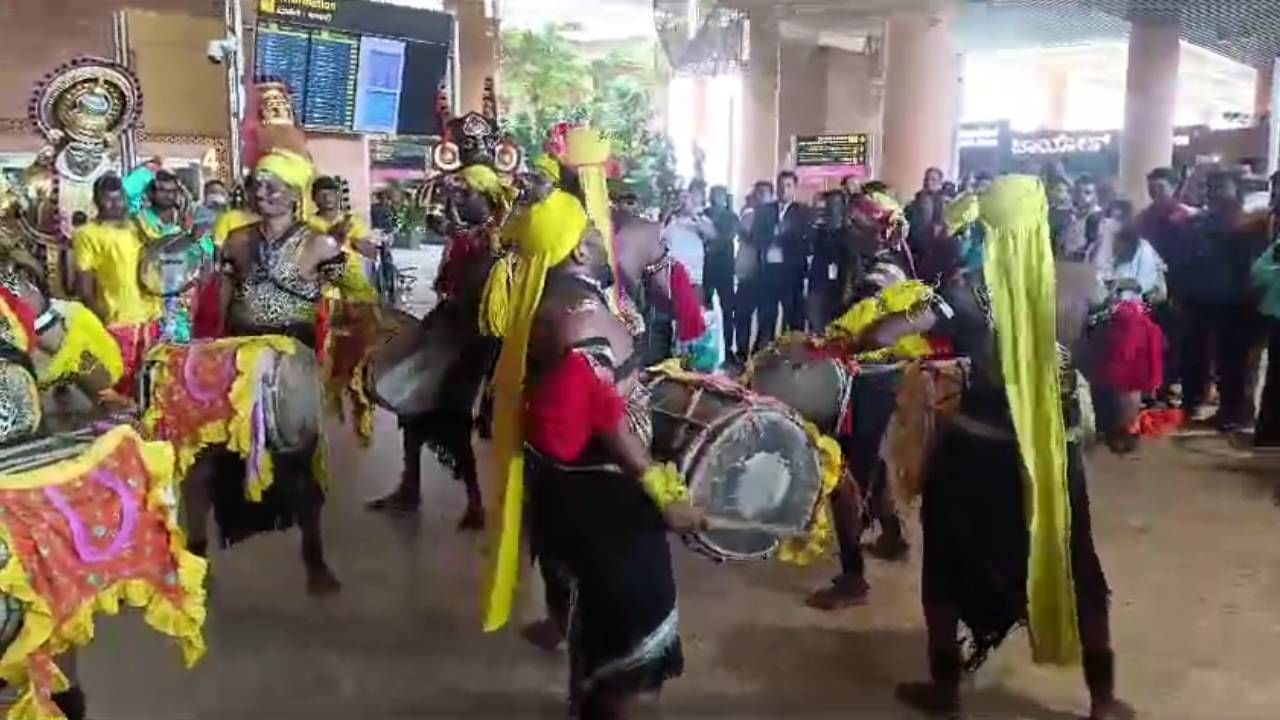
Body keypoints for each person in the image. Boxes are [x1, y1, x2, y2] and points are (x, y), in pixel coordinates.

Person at [866, 176, 1132, 720]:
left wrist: (945, 361)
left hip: (975, 456)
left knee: (946, 566)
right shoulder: (1084, 285)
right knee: (1076, 564)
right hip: (1055, 455)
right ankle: (1103, 700)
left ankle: (946, 690)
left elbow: (882, 337)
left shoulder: (970, 288)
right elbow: (1115, 369)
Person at [480, 188, 704, 719]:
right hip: (607, 498)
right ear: (579, 249)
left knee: (595, 625)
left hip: (563, 489)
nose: (603, 236)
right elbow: (602, 416)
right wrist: (656, 484)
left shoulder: (546, 300)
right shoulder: (580, 316)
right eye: (592, 230)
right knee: (634, 657)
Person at [203, 147, 346, 595]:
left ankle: (314, 556)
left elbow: (352, 292)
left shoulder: (320, 243)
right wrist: (209, 350)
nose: (262, 193)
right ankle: (195, 555)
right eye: (257, 184)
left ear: (293, 194)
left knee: (298, 459)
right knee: (214, 453)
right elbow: (221, 298)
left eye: (273, 186)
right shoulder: (238, 239)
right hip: (239, 354)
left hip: (291, 358)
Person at [1179, 171, 1269, 430]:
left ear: (1235, 190)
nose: (1214, 191)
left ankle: (1235, 413)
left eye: (1221, 186)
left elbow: (1253, 265)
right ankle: (1214, 407)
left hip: (1236, 303)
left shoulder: (1249, 223)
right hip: (1203, 298)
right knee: (1210, 358)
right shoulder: (1202, 221)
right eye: (1211, 186)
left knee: (1233, 362)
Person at [72, 173, 163, 394]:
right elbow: (84, 285)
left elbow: (161, 257)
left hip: (151, 318)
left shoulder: (140, 226)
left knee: (152, 386)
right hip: (118, 322)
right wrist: (101, 317)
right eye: (108, 199)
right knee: (120, 389)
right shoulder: (87, 234)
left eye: (119, 197)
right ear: (96, 201)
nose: (115, 204)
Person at [751, 171, 812, 347]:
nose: (783, 190)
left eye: (788, 186)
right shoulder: (764, 211)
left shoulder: (803, 212)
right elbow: (756, 237)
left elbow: (806, 240)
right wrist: (771, 236)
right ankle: (763, 352)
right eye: (780, 186)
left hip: (792, 272)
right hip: (769, 271)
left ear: (794, 188)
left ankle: (793, 353)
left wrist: (785, 237)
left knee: (793, 315)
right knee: (766, 314)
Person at [733, 181, 773, 361]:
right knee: (742, 315)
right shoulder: (749, 214)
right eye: (757, 193)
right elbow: (743, 234)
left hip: (766, 275)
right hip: (747, 274)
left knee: (765, 317)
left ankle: (760, 353)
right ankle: (742, 351)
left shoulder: (774, 216)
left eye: (763, 194)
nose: (758, 197)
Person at [661, 185, 715, 298]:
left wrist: (694, 214)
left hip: (694, 276)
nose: (683, 201)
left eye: (686, 197)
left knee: (694, 310)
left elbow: (712, 234)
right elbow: (659, 236)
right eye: (680, 198)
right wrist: (668, 212)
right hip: (671, 273)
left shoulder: (699, 219)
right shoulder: (670, 220)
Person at [703, 185, 737, 358]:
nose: (717, 198)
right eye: (714, 195)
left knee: (728, 310)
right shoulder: (704, 214)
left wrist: (712, 239)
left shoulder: (731, 217)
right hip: (706, 269)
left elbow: (728, 237)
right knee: (705, 310)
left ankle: (729, 347)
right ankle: (705, 347)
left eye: (720, 195)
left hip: (725, 269)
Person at [905, 167, 946, 261]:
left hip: (926, 249)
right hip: (911, 244)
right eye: (926, 179)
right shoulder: (918, 199)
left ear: (940, 183)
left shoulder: (940, 202)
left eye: (933, 179)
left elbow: (938, 227)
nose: (928, 182)